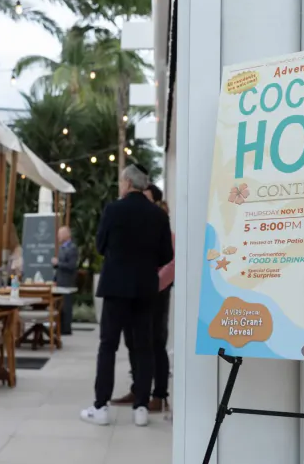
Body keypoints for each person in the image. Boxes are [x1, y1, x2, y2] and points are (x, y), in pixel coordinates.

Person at [81, 165, 173, 427]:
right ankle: (141, 407)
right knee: (144, 346)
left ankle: (100, 407)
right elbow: (166, 255)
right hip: (145, 288)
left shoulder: (113, 210)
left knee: (108, 345)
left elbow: (100, 245)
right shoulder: (158, 215)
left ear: (128, 183)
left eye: (121, 181)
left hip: (116, 287)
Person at [112, 184, 175, 412]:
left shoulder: (165, 230)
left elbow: (170, 264)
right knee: (133, 340)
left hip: (156, 292)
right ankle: (138, 389)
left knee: (156, 341)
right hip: (137, 290)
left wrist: (151, 283)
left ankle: (159, 395)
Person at [52, 226, 78, 335]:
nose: (58, 236)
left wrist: (58, 263)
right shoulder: (61, 248)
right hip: (60, 280)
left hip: (67, 281)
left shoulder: (72, 248)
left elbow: (72, 266)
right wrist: (55, 279)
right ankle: (59, 327)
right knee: (60, 305)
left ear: (67, 235)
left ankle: (66, 328)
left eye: (60, 234)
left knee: (66, 305)